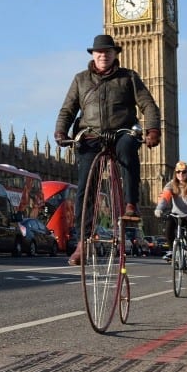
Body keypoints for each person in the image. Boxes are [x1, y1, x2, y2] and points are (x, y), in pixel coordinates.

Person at [54, 34, 161, 265]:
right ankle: (83, 242)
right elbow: (67, 110)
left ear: (115, 54)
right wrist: (61, 131)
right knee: (85, 187)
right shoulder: (81, 79)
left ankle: (131, 204)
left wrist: (153, 129)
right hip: (91, 135)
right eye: (99, 52)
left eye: (108, 52)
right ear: (93, 55)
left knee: (128, 150)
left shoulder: (128, 77)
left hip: (122, 131)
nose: (103, 55)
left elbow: (148, 104)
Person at [154, 161, 187, 280]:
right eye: (178, 172)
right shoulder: (171, 184)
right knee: (168, 229)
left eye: (183, 172)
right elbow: (164, 197)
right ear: (175, 172)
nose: (181, 174)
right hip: (176, 214)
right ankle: (172, 251)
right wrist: (159, 208)